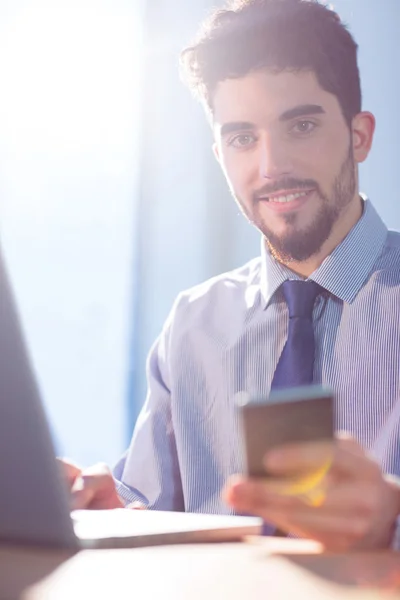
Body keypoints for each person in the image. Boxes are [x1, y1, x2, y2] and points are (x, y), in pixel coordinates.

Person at [63, 0, 400, 551]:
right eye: (243, 138)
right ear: (220, 153)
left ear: (359, 135)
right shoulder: (193, 325)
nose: (271, 167)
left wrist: (391, 527)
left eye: (302, 125)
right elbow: (156, 516)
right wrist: (113, 517)